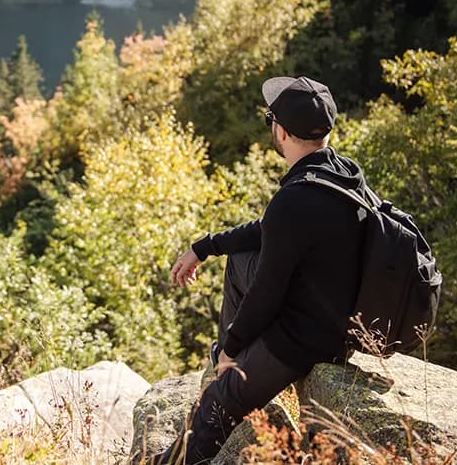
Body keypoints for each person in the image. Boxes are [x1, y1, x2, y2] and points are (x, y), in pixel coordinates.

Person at [147, 76, 368, 463]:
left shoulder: (296, 198)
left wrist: (231, 347)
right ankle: (229, 364)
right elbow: (270, 230)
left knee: (217, 405)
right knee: (239, 263)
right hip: (329, 309)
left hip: (306, 335)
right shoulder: (343, 174)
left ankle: (220, 384)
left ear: (280, 131)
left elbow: (267, 293)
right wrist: (205, 247)